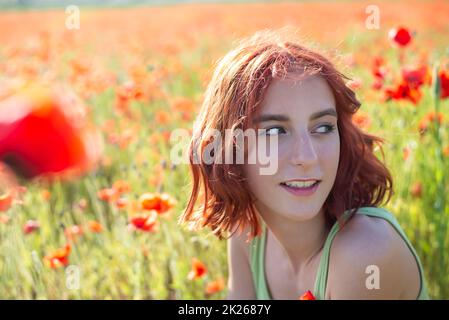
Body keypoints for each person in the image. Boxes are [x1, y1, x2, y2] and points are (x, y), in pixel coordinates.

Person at [178, 29, 429, 300]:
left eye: (322, 127)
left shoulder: (364, 256)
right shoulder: (248, 231)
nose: (307, 157)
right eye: (275, 132)